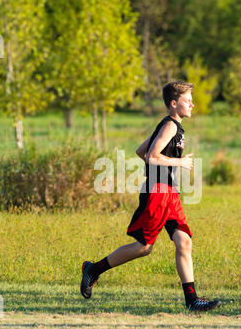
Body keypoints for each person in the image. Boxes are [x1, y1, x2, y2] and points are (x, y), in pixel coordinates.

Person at [80, 81, 220, 312]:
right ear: (174, 104)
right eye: (187, 100)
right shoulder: (170, 126)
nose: (192, 104)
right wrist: (179, 162)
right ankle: (93, 269)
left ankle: (192, 300)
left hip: (169, 193)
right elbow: (152, 156)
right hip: (156, 192)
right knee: (144, 247)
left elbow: (140, 151)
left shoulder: (170, 125)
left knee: (184, 241)